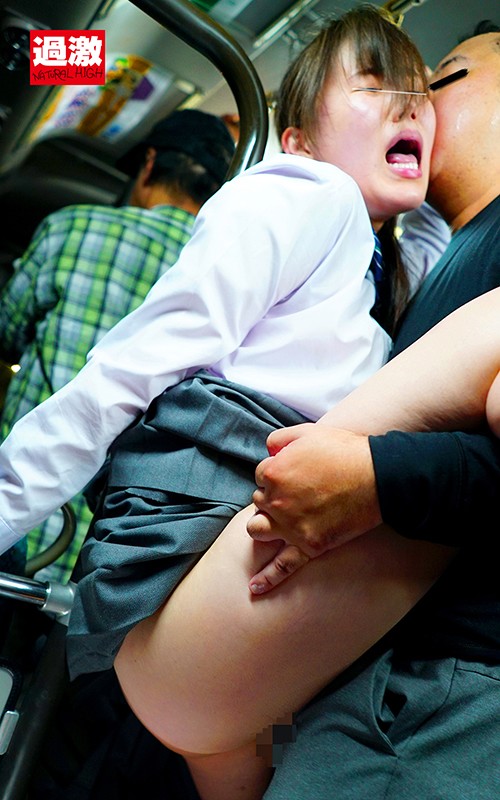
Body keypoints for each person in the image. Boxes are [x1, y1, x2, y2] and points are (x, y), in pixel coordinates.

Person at [0, 6, 439, 798]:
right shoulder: (308, 195)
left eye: (422, 91)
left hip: (229, 572)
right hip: (183, 548)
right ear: (296, 140)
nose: (409, 104)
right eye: (375, 85)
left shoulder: (387, 268)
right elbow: (129, 371)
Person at [243, 23, 500, 799]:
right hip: (388, 675)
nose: (413, 103)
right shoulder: (442, 261)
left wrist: (375, 476)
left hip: (461, 689)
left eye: (439, 78)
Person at [0, 108, 235, 583]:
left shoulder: (72, 227)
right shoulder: (226, 273)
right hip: (114, 556)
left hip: (20, 515)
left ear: (148, 165)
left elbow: (8, 330)